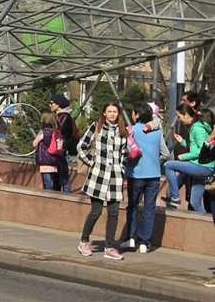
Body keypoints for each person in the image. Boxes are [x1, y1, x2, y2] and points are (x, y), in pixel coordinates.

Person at [77, 102, 128, 260]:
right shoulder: (97, 126)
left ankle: (110, 246)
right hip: (98, 175)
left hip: (115, 176)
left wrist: (122, 168)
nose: (112, 114)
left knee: (113, 213)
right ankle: (84, 241)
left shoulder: (122, 130)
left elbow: (124, 153)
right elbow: (81, 146)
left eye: (115, 112)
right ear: (104, 113)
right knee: (96, 211)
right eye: (109, 111)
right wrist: (91, 161)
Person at [122, 102, 170, 253]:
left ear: (137, 115)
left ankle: (130, 238)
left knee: (133, 206)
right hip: (153, 175)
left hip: (135, 174)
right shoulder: (157, 133)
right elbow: (166, 154)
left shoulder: (130, 131)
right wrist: (155, 161)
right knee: (149, 208)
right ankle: (145, 242)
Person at [162, 104, 214, 214]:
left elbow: (202, 151)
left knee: (168, 165)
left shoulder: (197, 128)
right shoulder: (196, 127)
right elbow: (196, 146)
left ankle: (175, 196)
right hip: (202, 166)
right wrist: (182, 142)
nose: (179, 120)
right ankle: (209, 225)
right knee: (195, 203)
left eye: (179, 117)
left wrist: (183, 156)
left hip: (203, 166)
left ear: (186, 115)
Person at [49, 93, 78, 192]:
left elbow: (58, 130)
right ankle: (57, 192)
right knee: (57, 174)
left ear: (58, 104)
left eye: (52, 103)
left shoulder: (65, 117)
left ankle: (67, 193)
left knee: (63, 173)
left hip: (61, 149)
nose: (50, 105)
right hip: (58, 148)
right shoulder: (58, 116)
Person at [33, 111, 62, 191]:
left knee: (47, 182)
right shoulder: (56, 132)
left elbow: (34, 144)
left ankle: (48, 196)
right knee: (54, 180)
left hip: (45, 161)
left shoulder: (43, 132)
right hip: (55, 160)